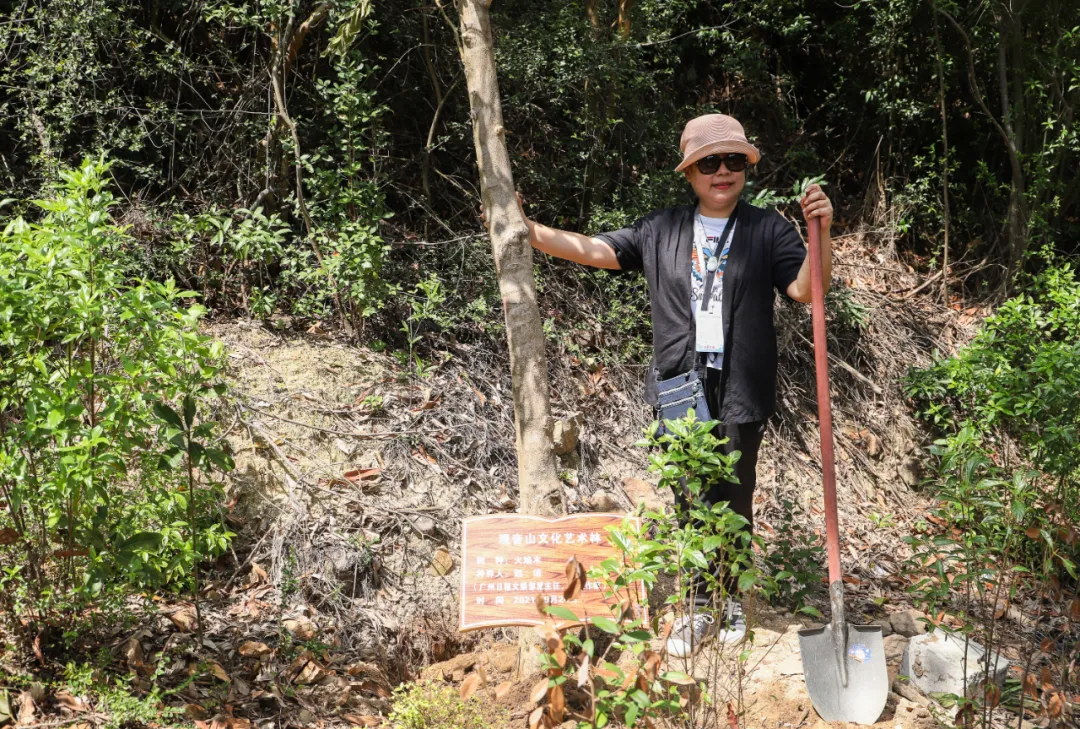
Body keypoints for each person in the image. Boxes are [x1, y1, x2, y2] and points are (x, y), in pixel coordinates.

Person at [490, 113, 833, 657]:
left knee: (735, 495)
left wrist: (822, 233)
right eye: (709, 163)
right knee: (691, 496)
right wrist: (526, 229)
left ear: (745, 167)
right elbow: (596, 251)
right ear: (691, 172)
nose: (723, 172)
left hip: (741, 381)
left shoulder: (768, 228)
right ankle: (698, 607)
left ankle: (730, 599)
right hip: (680, 383)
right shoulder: (662, 228)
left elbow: (803, 289)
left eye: (733, 161)